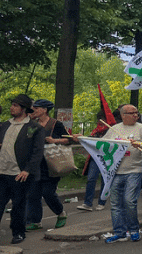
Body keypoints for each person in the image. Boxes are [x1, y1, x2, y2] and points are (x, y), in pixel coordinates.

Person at [102, 104, 142, 243]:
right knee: (115, 204)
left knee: (129, 201)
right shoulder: (115, 129)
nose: (136, 115)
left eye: (136, 113)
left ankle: (134, 229)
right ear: (123, 115)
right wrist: (80, 138)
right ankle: (120, 232)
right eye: (132, 113)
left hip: (135, 170)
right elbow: (101, 144)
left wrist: (140, 145)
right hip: (116, 171)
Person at [0, 95, 45, 244]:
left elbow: (37, 152)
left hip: (19, 173)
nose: (12, 108)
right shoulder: (5, 125)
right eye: (12, 105)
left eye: (15, 105)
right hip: (2, 171)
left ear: (24, 109)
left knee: (18, 205)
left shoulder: (34, 127)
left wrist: (28, 170)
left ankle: (18, 233)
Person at [25, 99, 71, 231]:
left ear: (44, 110)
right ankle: (35, 221)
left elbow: (69, 140)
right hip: (36, 165)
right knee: (33, 194)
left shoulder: (55, 124)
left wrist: (54, 140)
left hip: (51, 165)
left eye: (36, 108)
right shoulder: (33, 124)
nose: (33, 111)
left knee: (48, 193)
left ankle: (61, 213)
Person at [77, 109, 109, 212]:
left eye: (102, 119)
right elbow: (90, 140)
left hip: (107, 157)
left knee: (105, 180)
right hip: (95, 157)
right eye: (99, 119)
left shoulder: (112, 129)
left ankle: (101, 202)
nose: (100, 121)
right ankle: (88, 203)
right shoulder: (96, 130)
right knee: (91, 178)